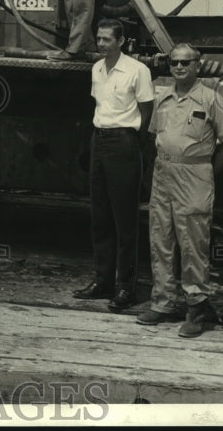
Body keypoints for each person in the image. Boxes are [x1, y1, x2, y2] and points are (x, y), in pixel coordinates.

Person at [137, 43, 223, 338]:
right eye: (175, 63)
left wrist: (203, 170)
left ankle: (196, 307)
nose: (179, 67)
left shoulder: (210, 99)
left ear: (197, 65)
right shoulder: (164, 98)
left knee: (192, 243)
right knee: (160, 239)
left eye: (185, 63)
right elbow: (153, 136)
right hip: (163, 174)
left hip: (194, 176)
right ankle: (163, 302)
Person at [72, 18, 154, 312]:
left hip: (124, 142)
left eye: (107, 39)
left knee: (125, 220)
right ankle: (102, 281)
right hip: (100, 140)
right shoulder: (96, 69)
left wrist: (132, 142)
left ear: (121, 41)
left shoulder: (137, 71)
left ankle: (125, 287)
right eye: (99, 38)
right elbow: (100, 106)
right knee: (100, 216)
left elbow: (146, 111)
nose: (101, 43)